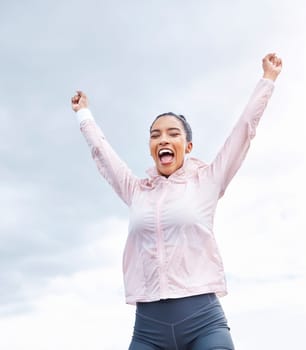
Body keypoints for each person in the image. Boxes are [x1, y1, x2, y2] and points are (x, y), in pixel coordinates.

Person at [71, 52, 282, 350]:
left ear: (188, 146)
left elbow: (243, 131)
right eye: (155, 135)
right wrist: (84, 115)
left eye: (173, 134)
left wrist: (267, 80)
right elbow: (103, 155)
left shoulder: (207, 181)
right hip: (148, 331)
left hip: (204, 325)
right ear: (150, 147)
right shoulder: (136, 190)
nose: (163, 139)